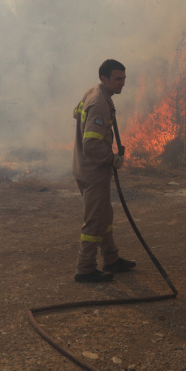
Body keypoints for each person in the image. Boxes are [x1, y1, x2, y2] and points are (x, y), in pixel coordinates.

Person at [72, 59, 136, 283]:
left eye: (124, 78)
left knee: (104, 216)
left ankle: (111, 259)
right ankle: (85, 268)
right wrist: (112, 159)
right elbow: (91, 146)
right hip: (94, 173)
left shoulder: (93, 93)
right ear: (104, 79)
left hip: (83, 169)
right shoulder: (100, 103)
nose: (122, 83)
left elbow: (76, 113)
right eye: (118, 79)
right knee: (94, 221)